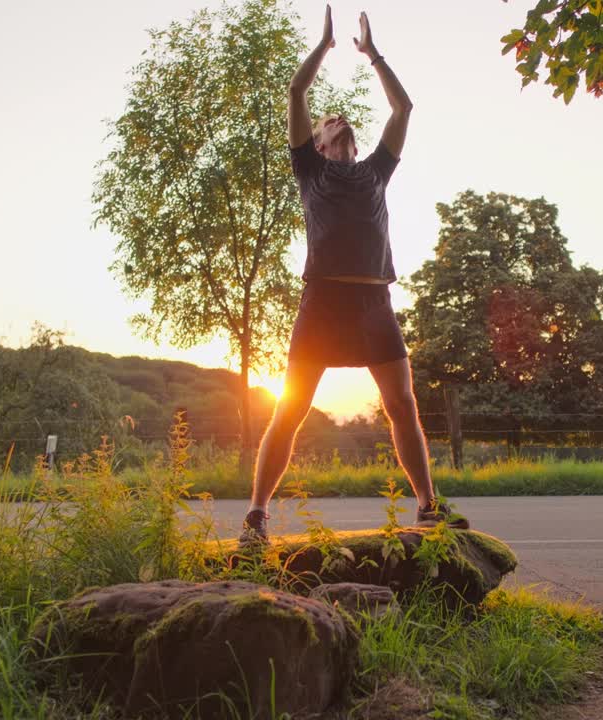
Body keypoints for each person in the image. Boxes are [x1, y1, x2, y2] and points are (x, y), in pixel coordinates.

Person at [240, 6, 468, 544]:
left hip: (374, 307)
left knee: (402, 406)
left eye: (339, 119)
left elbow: (404, 106)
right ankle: (256, 516)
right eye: (326, 120)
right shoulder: (309, 169)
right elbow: (296, 95)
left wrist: (373, 56)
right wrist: (323, 48)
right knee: (289, 411)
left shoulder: (375, 172)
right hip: (321, 305)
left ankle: (428, 506)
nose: (334, 118)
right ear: (316, 142)